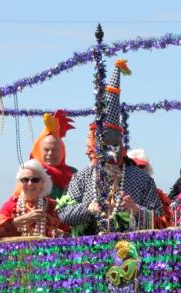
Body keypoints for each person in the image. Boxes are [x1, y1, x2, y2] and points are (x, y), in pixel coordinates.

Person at [58, 60, 161, 235]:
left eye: (115, 146)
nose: (111, 152)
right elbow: (63, 213)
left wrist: (136, 211)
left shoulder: (142, 179)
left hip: (130, 255)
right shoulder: (82, 177)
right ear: (96, 148)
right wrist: (88, 209)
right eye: (106, 146)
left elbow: (160, 218)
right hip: (89, 254)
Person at [0, 159, 66, 239]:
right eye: (25, 179)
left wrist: (62, 235)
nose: (30, 184)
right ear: (20, 183)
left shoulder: (53, 207)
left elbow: (71, 234)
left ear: (43, 183)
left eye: (35, 180)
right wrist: (23, 219)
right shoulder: (11, 205)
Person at [29, 110, 77, 199]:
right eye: (46, 150)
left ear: (62, 152)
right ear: (40, 151)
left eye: (54, 150)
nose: (50, 153)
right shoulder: (32, 172)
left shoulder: (74, 174)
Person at [127, 148, 172, 229]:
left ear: (147, 168)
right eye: (134, 166)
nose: (137, 170)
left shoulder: (160, 196)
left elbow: (161, 220)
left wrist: (137, 211)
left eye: (141, 166)